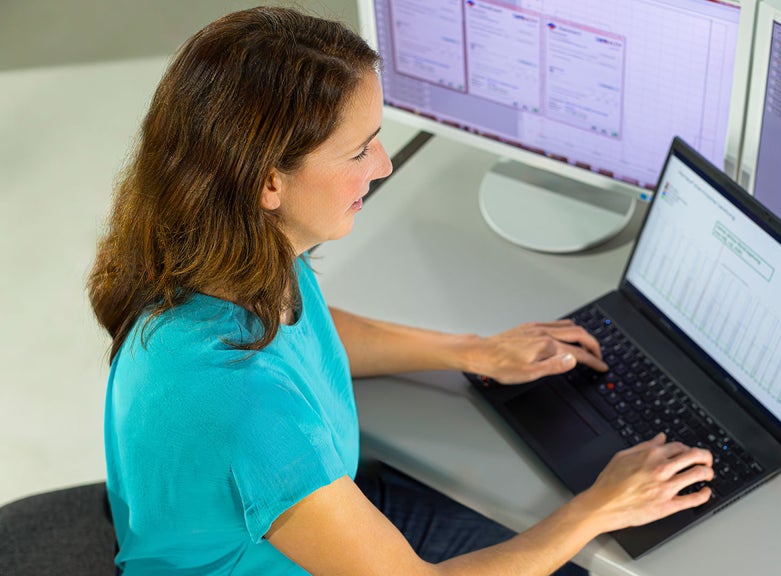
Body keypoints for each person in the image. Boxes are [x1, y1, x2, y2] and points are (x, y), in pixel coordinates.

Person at [88, 6, 714, 576]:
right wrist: (597, 508)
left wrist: (470, 351)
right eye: (359, 150)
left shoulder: (225, 253)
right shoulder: (243, 406)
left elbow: (310, 330)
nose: (384, 164)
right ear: (268, 182)